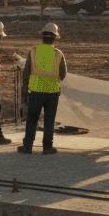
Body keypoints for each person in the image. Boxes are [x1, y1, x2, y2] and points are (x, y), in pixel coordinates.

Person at [19, 23, 67, 155]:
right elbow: (63, 74)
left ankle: (27, 146)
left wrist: (25, 90)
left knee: (32, 120)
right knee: (49, 121)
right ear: (55, 38)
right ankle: (47, 147)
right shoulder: (58, 54)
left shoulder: (33, 51)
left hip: (35, 92)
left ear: (42, 37)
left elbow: (26, 72)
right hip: (52, 93)